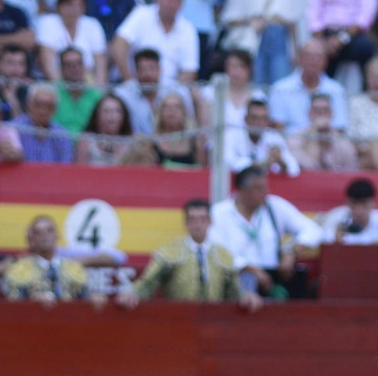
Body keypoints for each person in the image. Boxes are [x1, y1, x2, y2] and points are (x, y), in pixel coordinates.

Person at [207, 165, 324, 299]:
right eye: (258, 188)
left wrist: (292, 251)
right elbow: (216, 250)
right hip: (234, 279)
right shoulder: (219, 213)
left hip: (273, 279)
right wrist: (251, 269)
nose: (266, 192)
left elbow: (315, 231)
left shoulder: (275, 206)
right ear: (242, 190)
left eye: (265, 187)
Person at [119, 200, 256, 308]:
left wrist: (246, 296)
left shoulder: (224, 255)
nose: (198, 225)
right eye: (192, 220)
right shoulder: (170, 252)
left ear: (210, 222)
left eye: (202, 219)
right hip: (178, 318)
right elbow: (149, 283)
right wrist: (133, 293)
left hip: (214, 320)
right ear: (186, 223)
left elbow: (234, 292)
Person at [3, 216, 98, 306]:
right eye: (38, 232)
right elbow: (14, 304)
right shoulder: (18, 269)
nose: (44, 235)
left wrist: (94, 298)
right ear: (32, 239)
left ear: (57, 236)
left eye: (49, 230)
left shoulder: (74, 268)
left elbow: (85, 298)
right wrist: (33, 301)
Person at [111, 0, 198, 83]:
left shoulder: (188, 29)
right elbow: (118, 45)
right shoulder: (141, 14)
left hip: (170, 90)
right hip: (135, 84)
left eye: (175, 1)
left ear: (182, 4)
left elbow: (190, 70)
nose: (170, 5)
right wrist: (129, 80)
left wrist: (172, 90)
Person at [270, 39, 349, 134]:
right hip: (291, 145)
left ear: (326, 61)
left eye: (318, 56)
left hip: (327, 144)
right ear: (299, 58)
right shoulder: (280, 89)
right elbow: (278, 128)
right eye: (308, 56)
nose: (313, 60)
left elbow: (339, 129)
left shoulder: (336, 90)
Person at [115, 48, 195, 135]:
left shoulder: (177, 90)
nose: (148, 74)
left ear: (160, 70)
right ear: (135, 72)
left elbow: (189, 122)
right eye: (143, 69)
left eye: (152, 69)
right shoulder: (123, 94)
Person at [37, 0, 108, 83]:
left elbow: (100, 63)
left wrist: (99, 90)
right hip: (57, 83)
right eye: (70, 5)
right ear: (60, 6)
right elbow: (46, 60)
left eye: (79, 5)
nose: (75, 10)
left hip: (88, 83)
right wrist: (62, 90)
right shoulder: (48, 22)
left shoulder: (92, 25)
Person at [310, 0, 377, 82]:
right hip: (325, 33)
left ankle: (366, 91)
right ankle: (319, 92)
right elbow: (313, 12)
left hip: (352, 33)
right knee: (314, 52)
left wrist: (341, 39)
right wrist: (321, 41)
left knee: (366, 47)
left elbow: (365, 15)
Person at [223, 97, 300, 176]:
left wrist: (281, 161)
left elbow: (294, 168)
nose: (259, 123)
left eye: (264, 118)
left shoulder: (274, 136)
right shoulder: (232, 134)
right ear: (246, 119)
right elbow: (228, 162)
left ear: (268, 121)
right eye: (254, 118)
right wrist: (262, 164)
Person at [321, 178, 378, 246]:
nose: (359, 209)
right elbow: (324, 241)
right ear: (347, 203)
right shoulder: (337, 218)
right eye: (354, 203)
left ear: (373, 203)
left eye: (364, 203)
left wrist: (370, 248)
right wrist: (336, 241)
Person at [290, 94, 360, 171]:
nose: (321, 114)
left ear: (332, 113)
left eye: (325, 110)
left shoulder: (343, 141)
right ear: (309, 113)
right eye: (316, 110)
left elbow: (351, 171)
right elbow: (309, 167)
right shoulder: (295, 138)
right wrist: (314, 132)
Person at [77, 93, 152, 165]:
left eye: (117, 111)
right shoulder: (86, 141)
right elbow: (79, 172)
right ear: (96, 116)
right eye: (106, 111)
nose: (112, 116)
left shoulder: (134, 142)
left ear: (124, 115)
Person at [14, 83, 76, 163]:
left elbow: (66, 166)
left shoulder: (62, 134)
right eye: (38, 104)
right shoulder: (14, 129)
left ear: (55, 109)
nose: (43, 110)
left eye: (49, 106)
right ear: (28, 104)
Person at [150, 92, 204, 167]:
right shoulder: (152, 143)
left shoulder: (195, 142)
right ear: (160, 113)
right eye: (167, 107)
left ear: (184, 113)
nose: (172, 111)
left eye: (177, 107)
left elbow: (203, 170)